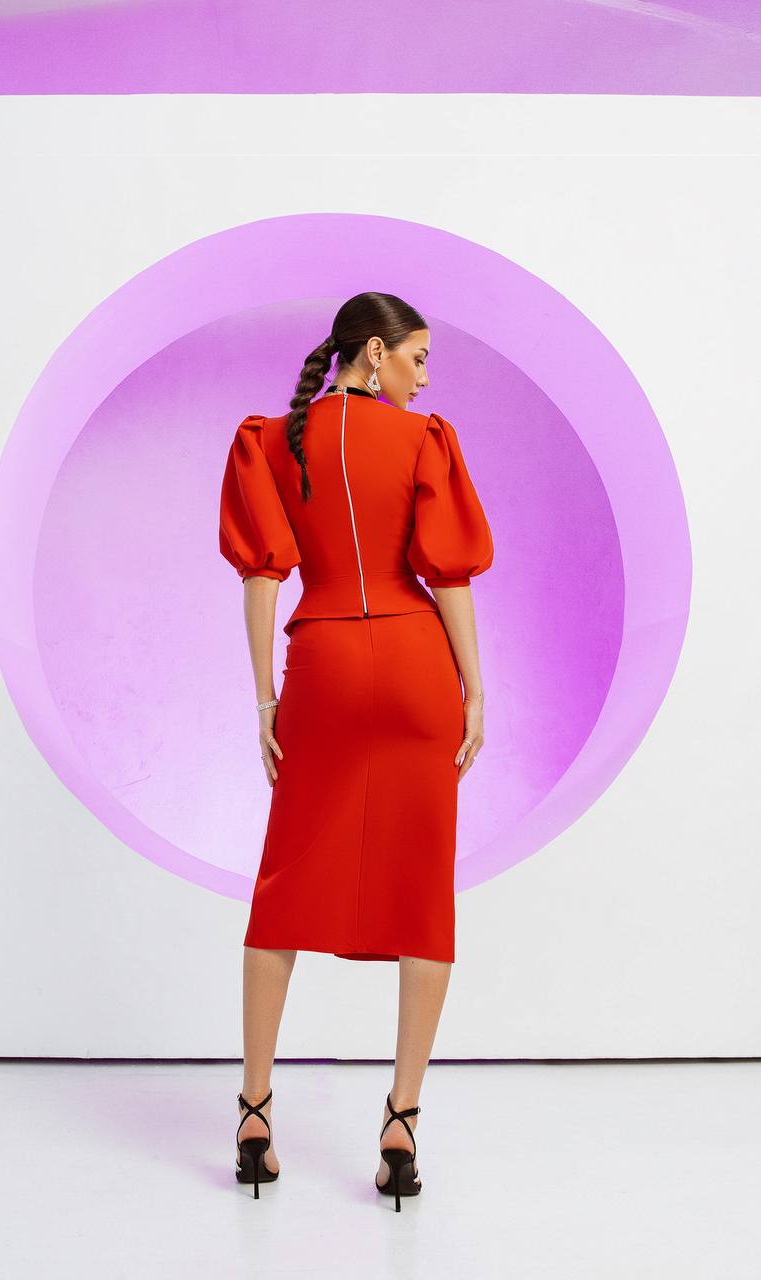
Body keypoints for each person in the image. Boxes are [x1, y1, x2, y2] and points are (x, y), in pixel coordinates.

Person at [218, 291, 493, 1208]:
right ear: (372, 354)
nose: (424, 376)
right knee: (424, 892)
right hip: (414, 664)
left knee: (283, 885)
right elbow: (445, 574)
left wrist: (264, 694)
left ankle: (255, 1110)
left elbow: (262, 575)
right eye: (416, 357)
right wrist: (475, 686)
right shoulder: (422, 443)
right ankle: (401, 1129)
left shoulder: (269, 440)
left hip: (324, 661)